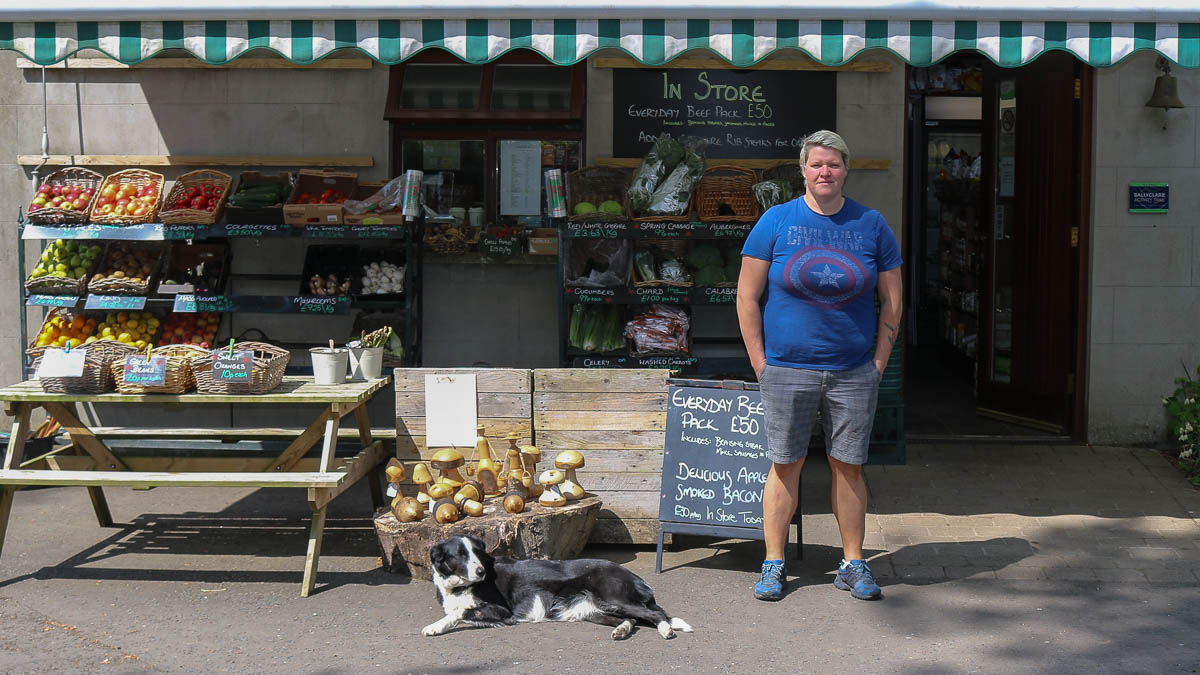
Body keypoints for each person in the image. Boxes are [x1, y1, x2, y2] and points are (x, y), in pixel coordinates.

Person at [737, 130, 903, 602]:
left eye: (832, 164)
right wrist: (761, 364)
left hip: (853, 370)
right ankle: (774, 563)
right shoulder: (776, 221)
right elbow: (747, 297)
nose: (824, 172)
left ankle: (853, 562)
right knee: (784, 464)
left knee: (847, 466)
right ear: (803, 171)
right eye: (816, 165)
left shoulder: (871, 225)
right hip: (787, 368)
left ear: (845, 169)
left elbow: (893, 300)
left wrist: (877, 363)